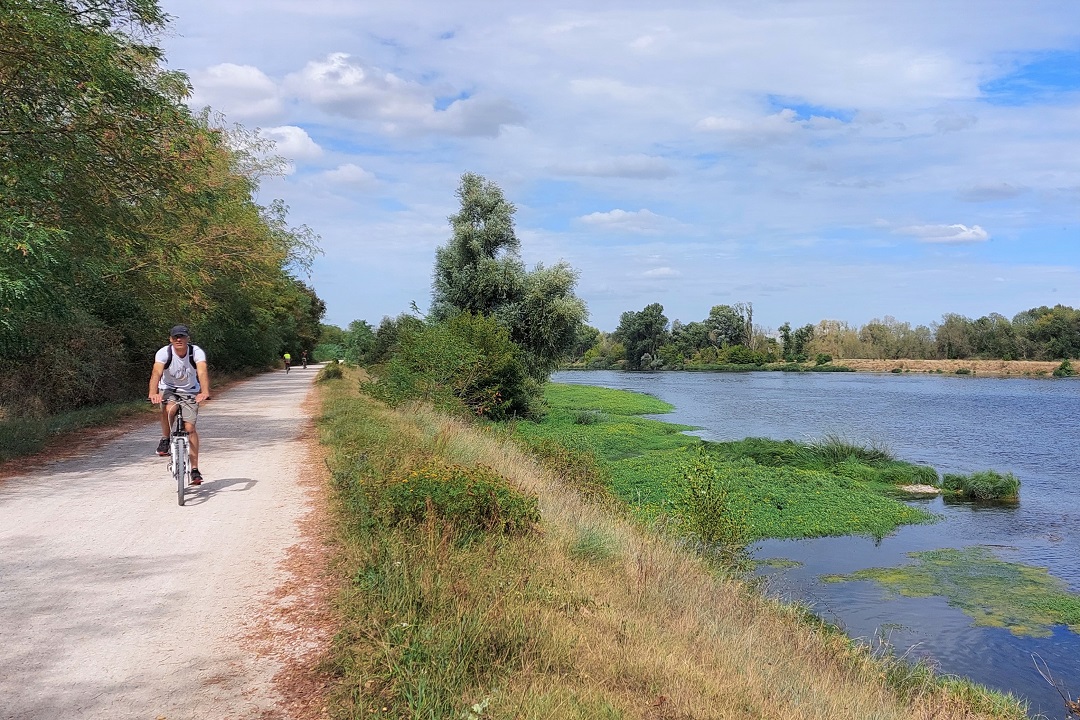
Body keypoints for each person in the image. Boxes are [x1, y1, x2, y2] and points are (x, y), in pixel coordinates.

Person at [149, 325, 211, 485]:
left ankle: (195, 469)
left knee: (190, 429)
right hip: (168, 389)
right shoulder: (164, 353)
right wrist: (153, 393)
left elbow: (202, 371)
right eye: (175, 337)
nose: (179, 339)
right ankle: (165, 438)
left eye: (182, 337)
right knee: (169, 409)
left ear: (187, 339)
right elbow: (156, 373)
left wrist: (204, 392)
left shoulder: (196, 352)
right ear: (170, 339)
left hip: (190, 391)